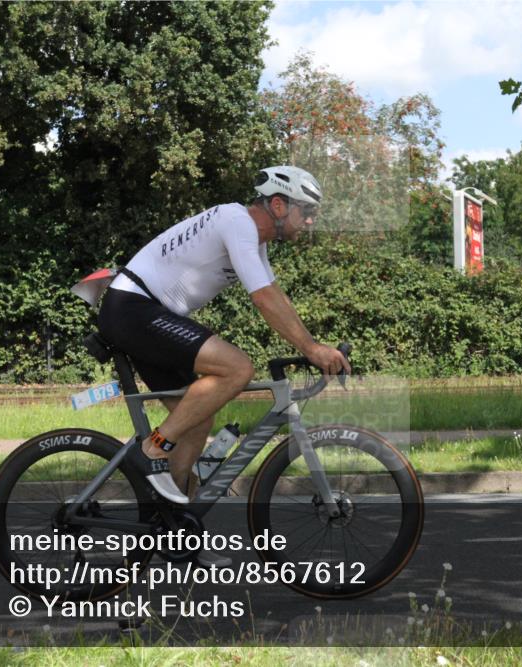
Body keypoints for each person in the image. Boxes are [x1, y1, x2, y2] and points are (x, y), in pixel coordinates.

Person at [97, 166, 351, 509]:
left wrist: (313, 345)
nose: (309, 221)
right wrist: (311, 349)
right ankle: (152, 448)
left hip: (144, 313)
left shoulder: (253, 239)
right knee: (237, 368)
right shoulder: (237, 222)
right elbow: (263, 299)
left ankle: (169, 523)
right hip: (133, 308)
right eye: (305, 211)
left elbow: (276, 296)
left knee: (197, 422)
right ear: (278, 205)